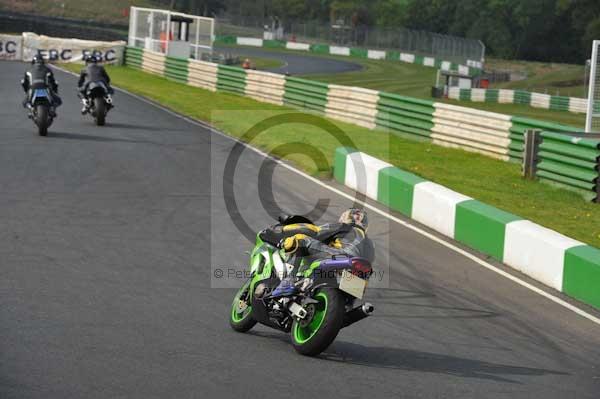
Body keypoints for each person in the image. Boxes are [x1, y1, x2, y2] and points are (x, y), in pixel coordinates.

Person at [271, 208, 374, 297]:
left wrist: (283, 229)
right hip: (359, 273)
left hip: (340, 257)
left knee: (300, 240)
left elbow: (314, 231)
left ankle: (289, 281)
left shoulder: (344, 226)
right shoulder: (370, 244)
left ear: (347, 217)